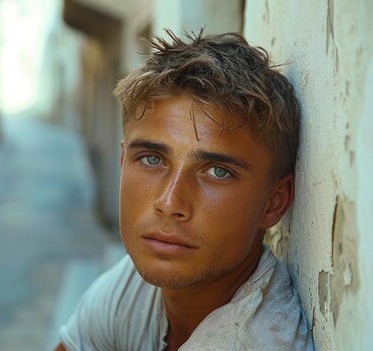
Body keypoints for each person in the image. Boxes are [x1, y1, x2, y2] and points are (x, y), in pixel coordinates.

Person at [54, 29, 314, 351]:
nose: (169, 202)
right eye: (152, 159)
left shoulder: (261, 340)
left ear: (274, 203)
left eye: (218, 171)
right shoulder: (137, 286)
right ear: (123, 161)